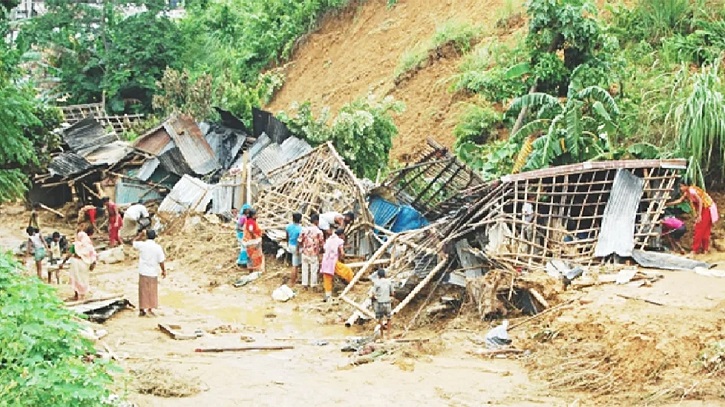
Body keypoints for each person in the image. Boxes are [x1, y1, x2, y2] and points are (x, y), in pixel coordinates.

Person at [668, 183, 719, 254]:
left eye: (681, 186)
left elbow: (700, 201)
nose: (680, 188)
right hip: (706, 208)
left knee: (699, 228)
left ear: (685, 185)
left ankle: (695, 250)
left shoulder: (692, 190)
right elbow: (679, 201)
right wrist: (668, 204)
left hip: (707, 208)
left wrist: (699, 215)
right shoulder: (687, 192)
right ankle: (705, 249)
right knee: (705, 229)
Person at [133, 229, 167, 317]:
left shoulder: (142, 245)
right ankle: (150, 309)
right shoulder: (158, 247)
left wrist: (140, 236)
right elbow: (161, 261)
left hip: (143, 271)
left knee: (143, 291)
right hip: (153, 272)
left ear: (146, 236)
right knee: (152, 291)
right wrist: (163, 270)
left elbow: (133, 242)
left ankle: (142, 309)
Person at [60, 224, 97, 301]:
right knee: (83, 279)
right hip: (84, 264)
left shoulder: (76, 245)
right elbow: (93, 256)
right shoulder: (89, 245)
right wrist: (93, 264)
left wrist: (63, 263)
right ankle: (82, 295)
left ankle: (76, 295)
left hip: (76, 263)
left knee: (76, 279)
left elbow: (69, 254)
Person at [320, 228, 354, 301]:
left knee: (327, 278)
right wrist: (342, 258)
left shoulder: (329, 240)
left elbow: (325, 249)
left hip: (325, 261)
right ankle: (352, 284)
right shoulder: (339, 241)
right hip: (333, 261)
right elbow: (342, 253)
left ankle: (328, 295)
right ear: (341, 235)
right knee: (347, 270)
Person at [298, 213, 325, 289]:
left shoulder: (304, 230)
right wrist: (321, 252)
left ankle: (304, 284)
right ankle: (313, 285)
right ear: (317, 221)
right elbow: (322, 243)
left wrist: (300, 248)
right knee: (313, 269)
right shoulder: (319, 232)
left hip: (305, 252)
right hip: (314, 253)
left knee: (305, 269)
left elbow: (299, 240)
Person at [371, 268, 394, 340]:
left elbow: (373, 294)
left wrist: (373, 298)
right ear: (385, 274)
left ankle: (381, 336)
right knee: (389, 319)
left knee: (380, 319)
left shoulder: (376, 283)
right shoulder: (389, 282)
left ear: (378, 275)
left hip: (379, 303)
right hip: (387, 302)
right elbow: (392, 293)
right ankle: (388, 335)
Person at [286, 212, 303, 285]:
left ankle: (294, 280)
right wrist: (298, 249)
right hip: (297, 247)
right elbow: (299, 241)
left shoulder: (288, 227)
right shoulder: (300, 229)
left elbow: (287, 236)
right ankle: (293, 281)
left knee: (295, 264)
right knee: (295, 265)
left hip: (290, 245)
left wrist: (288, 243)